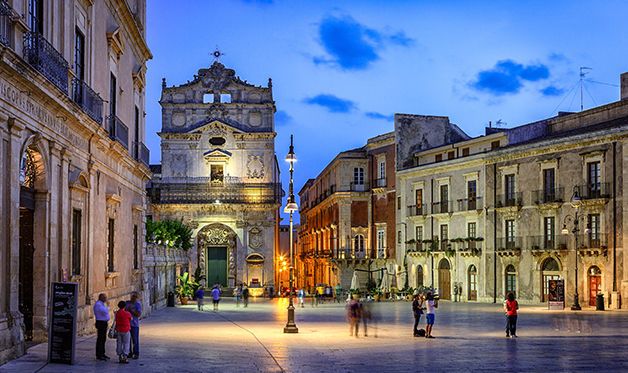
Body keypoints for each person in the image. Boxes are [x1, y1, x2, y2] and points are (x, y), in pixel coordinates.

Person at [93, 293, 110, 361]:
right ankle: (99, 354)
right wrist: (108, 306)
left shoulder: (101, 304)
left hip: (103, 322)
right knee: (100, 339)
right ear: (101, 298)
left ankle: (102, 353)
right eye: (105, 297)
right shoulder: (98, 304)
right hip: (101, 323)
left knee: (103, 339)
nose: (106, 299)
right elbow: (105, 311)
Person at [125, 292, 142, 359]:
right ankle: (129, 352)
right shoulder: (127, 303)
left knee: (135, 339)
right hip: (127, 324)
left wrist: (131, 311)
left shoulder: (138, 305)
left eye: (135, 297)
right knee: (128, 340)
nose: (133, 298)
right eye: (132, 296)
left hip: (134, 324)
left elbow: (138, 314)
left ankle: (136, 353)